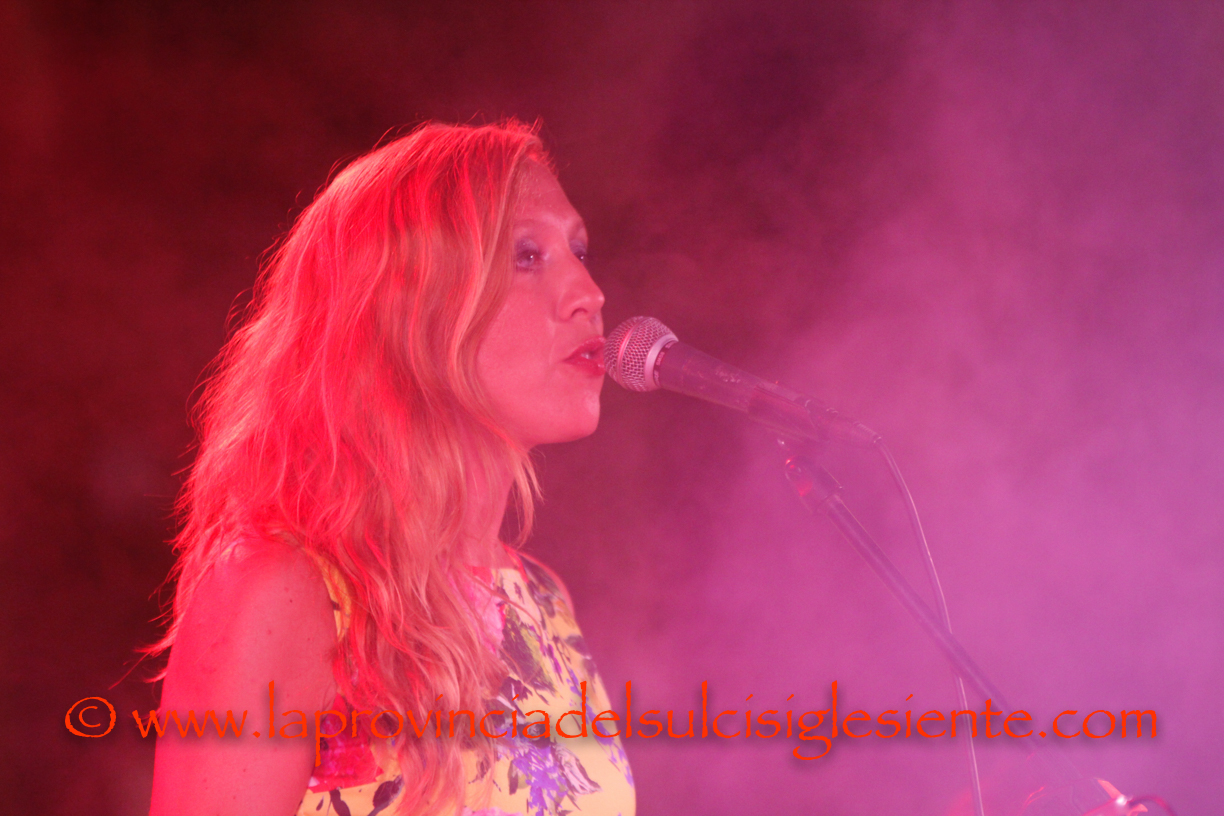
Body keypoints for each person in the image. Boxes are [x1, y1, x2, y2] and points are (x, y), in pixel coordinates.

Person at [147, 121, 635, 816]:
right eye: (527, 256)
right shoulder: (285, 592)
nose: (588, 291)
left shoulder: (544, 602)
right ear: (408, 306)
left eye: (578, 251)